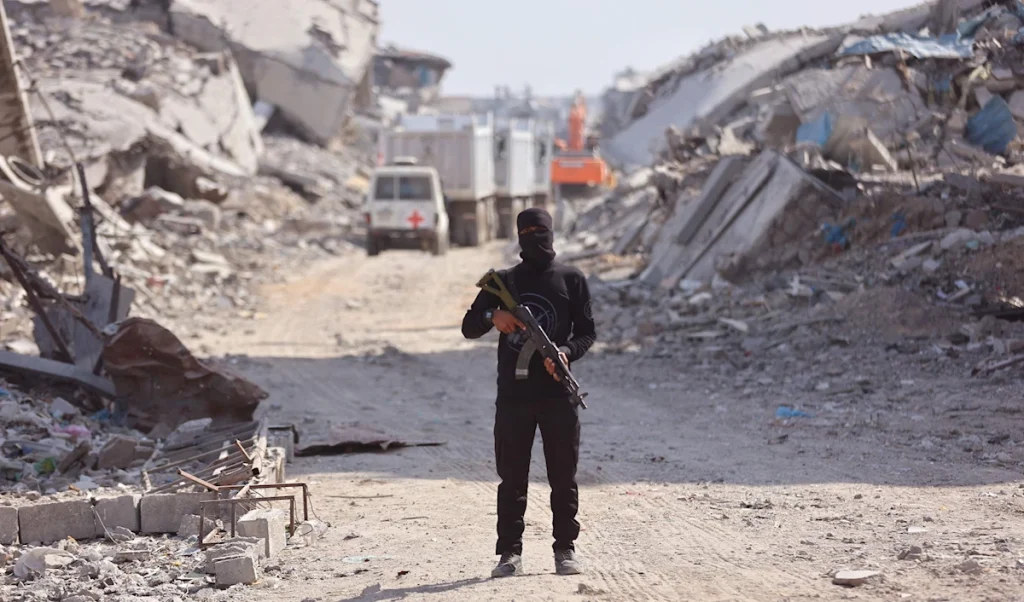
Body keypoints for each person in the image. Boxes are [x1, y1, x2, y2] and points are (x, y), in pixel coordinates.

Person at [461, 208, 597, 578]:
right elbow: (468, 327)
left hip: (558, 398)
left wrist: (566, 353)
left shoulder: (572, 279)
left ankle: (565, 549)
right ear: (519, 236)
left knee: (563, 476)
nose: (536, 237)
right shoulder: (502, 282)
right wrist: (494, 318)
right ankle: (509, 553)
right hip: (514, 398)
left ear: (552, 233)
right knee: (512, 478)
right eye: (529, 231)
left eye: (542, 231)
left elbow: (587, 333)